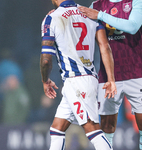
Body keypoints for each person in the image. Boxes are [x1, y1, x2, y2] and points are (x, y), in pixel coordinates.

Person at [78, 0, 142, 149]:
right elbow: (78, 24)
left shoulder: (137, 1)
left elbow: (132, 27)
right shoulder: (96, 5)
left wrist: (101, 16)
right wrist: (60, 15)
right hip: (108, 75)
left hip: (137, 72)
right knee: (107, 125)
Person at [40, 0, 117, 149]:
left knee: (93, 130)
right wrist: (111, 78)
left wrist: (45, 80)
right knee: (56, 129)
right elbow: (105, 47)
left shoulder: (52, 18)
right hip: (86, 79)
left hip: (76, 82)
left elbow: (45, 60)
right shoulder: (90, 13)